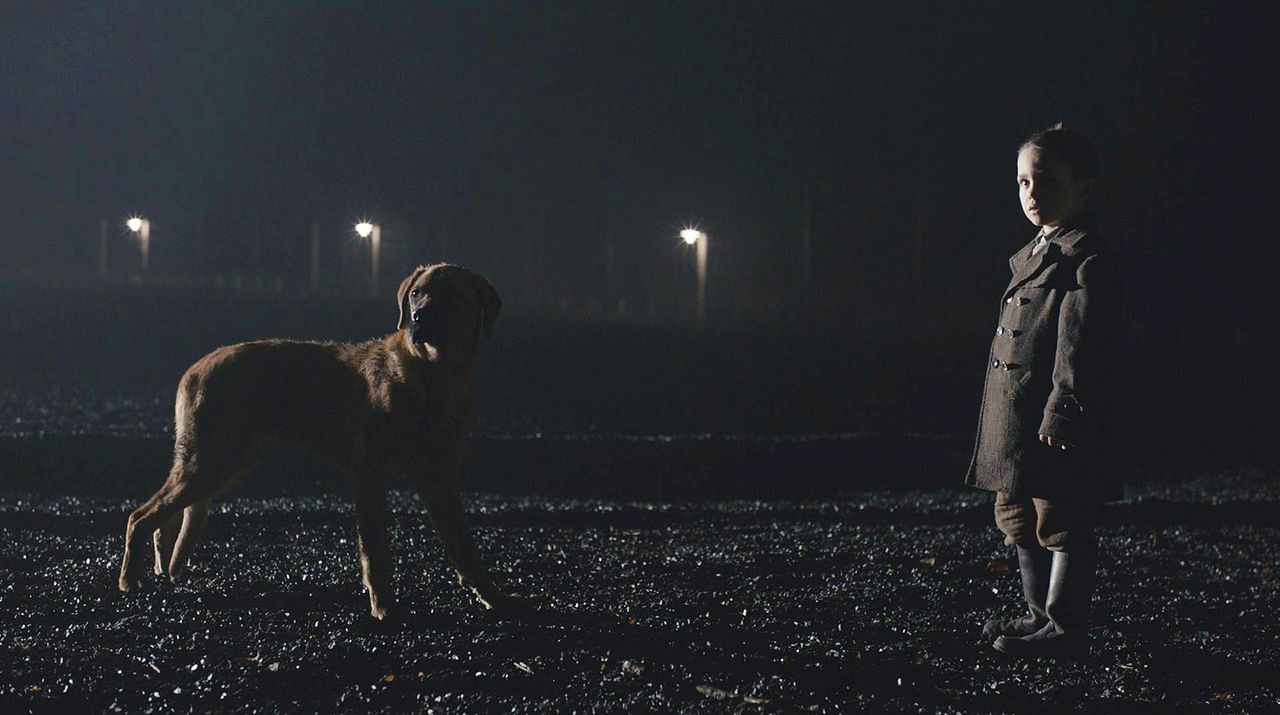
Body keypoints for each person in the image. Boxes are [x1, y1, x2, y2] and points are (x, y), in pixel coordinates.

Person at [964, 124, 1121, 658]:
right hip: (1016, 415)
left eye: (1047, 180)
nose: (1032, 194)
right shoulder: (1034, 252)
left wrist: (1065, 408)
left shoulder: (1087, 260)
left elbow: (1082, 346)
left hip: (1052, 418)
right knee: (1016, 514)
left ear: (1086, 188)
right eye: (1024, 182)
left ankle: (1063, 625)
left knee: (1062, 517)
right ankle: (1036, 614)